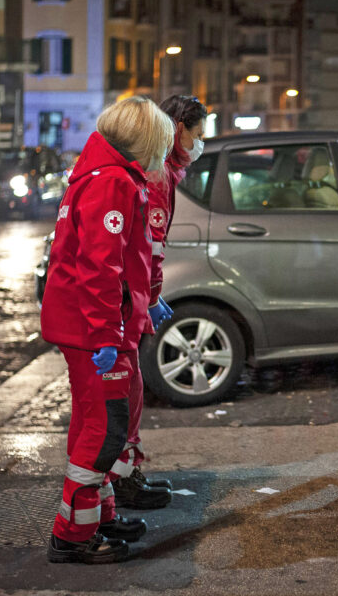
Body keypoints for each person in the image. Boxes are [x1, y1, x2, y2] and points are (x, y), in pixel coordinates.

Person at [40, 96, 174, 564]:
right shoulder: (113, 183)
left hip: (96, 326)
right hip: (97, 331)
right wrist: (105, 336)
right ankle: (72, 536)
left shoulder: (97, 174)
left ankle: (97, 516)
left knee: (99, 423)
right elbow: (100, 269)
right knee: (104, 429)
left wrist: (140, 306)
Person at [107, 94, 207, 509]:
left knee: (129, 393)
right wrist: (149, 297)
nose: (200, 142)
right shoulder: (158, 176)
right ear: (177, 128)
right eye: (197, 133)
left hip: (127, 302)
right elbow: (147, 249)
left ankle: (125, 474)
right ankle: (118, 481)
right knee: (122, 396)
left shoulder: (159, 172)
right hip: (123, 307)